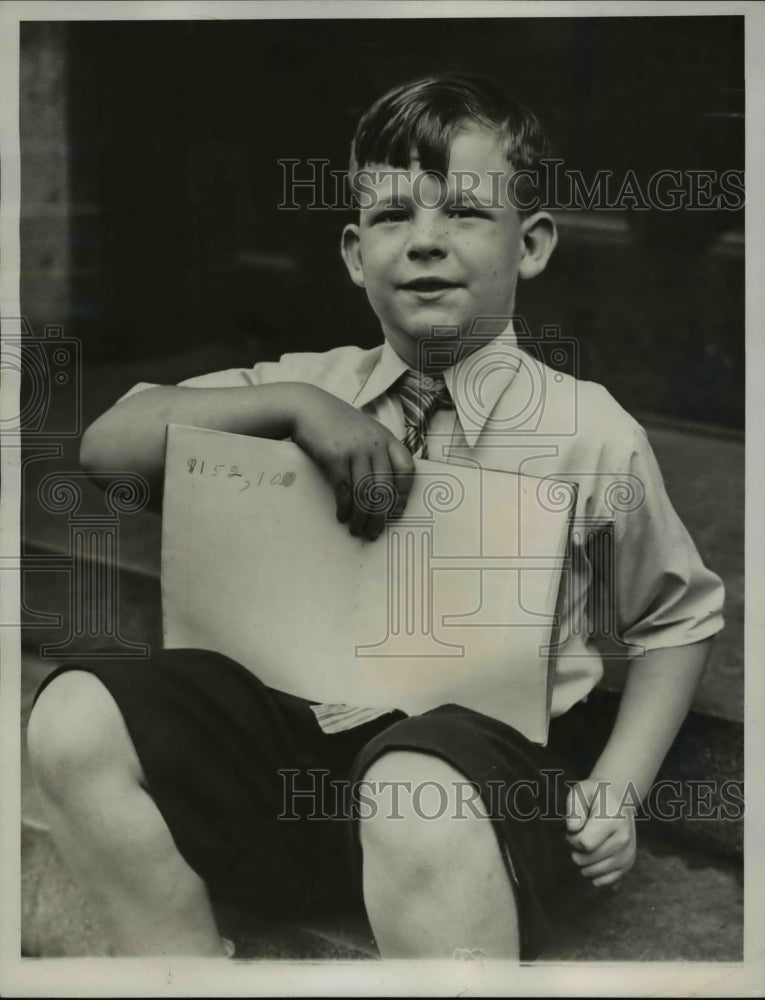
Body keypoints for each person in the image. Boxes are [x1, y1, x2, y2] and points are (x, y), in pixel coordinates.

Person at [27, 73, 724, 961]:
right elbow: (105, 448)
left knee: (412, 784)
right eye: (394, 217)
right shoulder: (311, 387)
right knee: (73, 715)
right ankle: (178, 971)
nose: (425, 243)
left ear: (534, 243)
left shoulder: (586, 430)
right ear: (355, 255)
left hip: (477, 785)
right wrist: (291, 408)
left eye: (465, 212)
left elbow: (679, 616)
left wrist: (618, 791)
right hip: (295, 768)